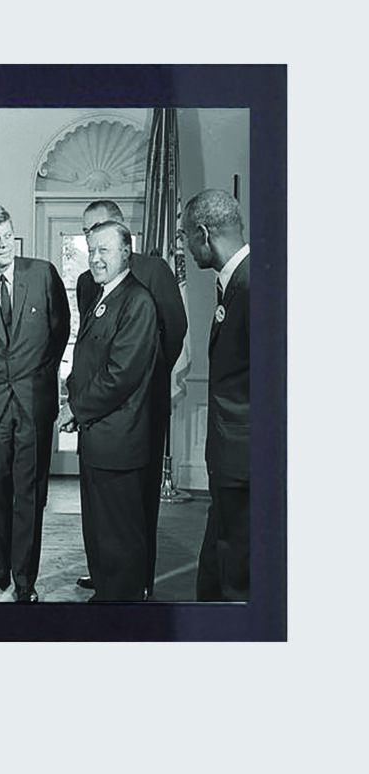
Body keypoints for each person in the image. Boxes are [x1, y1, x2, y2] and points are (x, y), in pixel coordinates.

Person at [75, 200, 187, 597]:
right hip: (105, 411)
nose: (94, 248)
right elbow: (93, 347)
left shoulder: (152, 272)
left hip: (141, 405)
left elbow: (174, 330)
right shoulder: (89, 281)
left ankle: (135, 582)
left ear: (122, 236)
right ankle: (107, 575)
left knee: (134, 503)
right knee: (106, 508)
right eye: (89, 238)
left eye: (102, 237)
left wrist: (145, 379)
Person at [0, 205, 70, 602]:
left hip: (33, 401)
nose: (3, 244)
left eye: (7, 235)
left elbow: (60, 331)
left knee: (29, 494)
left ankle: (25, 581)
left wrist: (37, 375)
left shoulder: (41, 274)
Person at [59, 221, 159, 601]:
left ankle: (120, 604)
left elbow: (120, 376)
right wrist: (71, 392)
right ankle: (106, 590)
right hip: (98, 438)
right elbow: (89, 360)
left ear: (125, 253)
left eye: (105, 250)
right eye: (92, 250)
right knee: (99, 527)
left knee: (118, 531)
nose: (96, 258)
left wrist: (75, 409)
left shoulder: (137, 302)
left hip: (119, 438)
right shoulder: (103, 296)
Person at [181, 189, 250, 601]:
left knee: (237, 576)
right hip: (232, 464)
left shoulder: (252, 284)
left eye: (186, 237)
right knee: (219, 563)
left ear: (203, 234)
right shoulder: (237, 282)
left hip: (245, 464)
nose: (187, 248)